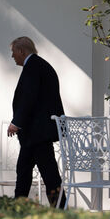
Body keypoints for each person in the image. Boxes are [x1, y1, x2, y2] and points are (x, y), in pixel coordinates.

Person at [7, 36, 66, 208]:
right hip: (34, 133)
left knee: (49, 175)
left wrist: (16, 122)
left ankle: (61, 211)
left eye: (13, 52)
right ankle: (19, 209)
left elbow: (28, 97)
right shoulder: (39, 65)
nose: (12, 57)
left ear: (21, 51)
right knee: (24, 171)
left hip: (38, 133)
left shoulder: (33, 66)